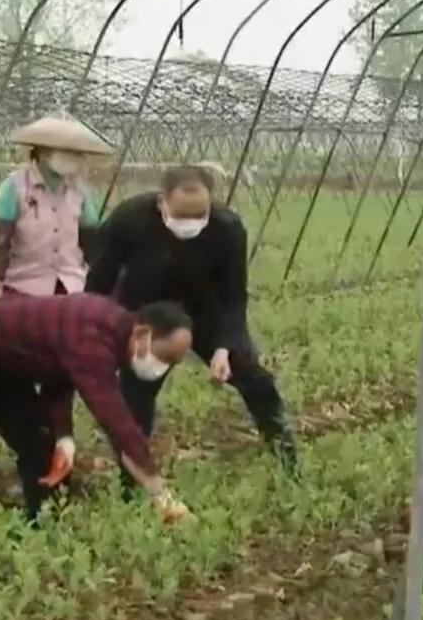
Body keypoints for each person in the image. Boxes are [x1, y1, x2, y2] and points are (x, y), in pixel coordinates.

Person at [85, 164, 296, 478]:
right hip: (146, 312)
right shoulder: (129, 220)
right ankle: (134, 480)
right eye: (181, 216)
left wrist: (226, 346)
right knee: (137, 394)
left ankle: (287, 458)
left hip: (203, 310)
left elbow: (233, 294)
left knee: (256, 379)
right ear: (161, 202)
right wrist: (98, 330)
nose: (190, 225)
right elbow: (100, 280)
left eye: (199, 216)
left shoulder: (227, 228)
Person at [0, 292, 194, 524]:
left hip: (5, 364)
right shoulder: (93, 335)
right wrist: (160, 493)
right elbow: (114, 417)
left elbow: (59, 375)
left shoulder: (111, 329)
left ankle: (42, 525)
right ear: (143, 333)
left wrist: (63, 436)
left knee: (43, 443)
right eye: (166, 356)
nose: (164, 366)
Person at [0, 116, 114, 303]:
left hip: (73, 285)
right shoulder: (14, 188)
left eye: (77, 153)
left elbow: (92, 241)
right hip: (24, 285)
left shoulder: (80, 192)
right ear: (43, 152)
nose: (74, 158)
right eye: (66, 152)